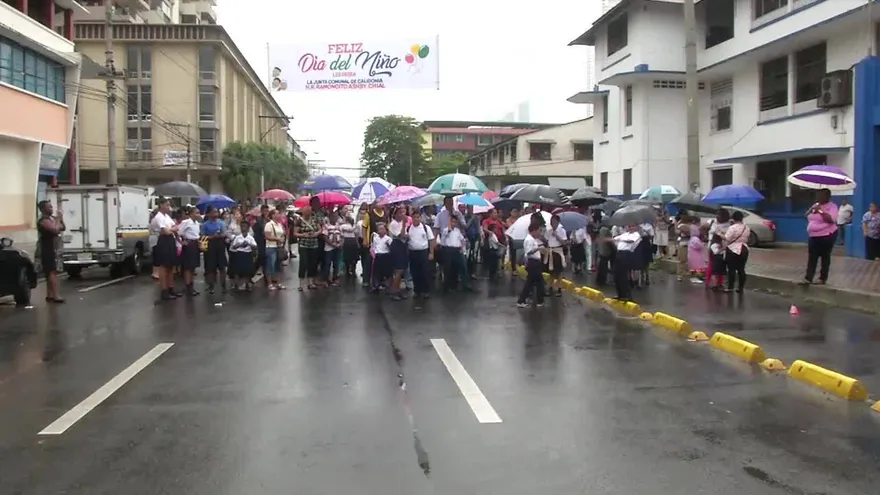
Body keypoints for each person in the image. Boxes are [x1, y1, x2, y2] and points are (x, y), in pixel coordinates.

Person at [800, 188, 839, 285]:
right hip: (814, 236)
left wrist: (820, 211)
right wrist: (811, 210)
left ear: (827, 196)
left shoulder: (832, 206)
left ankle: (822, 278)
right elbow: (806, 216)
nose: (818, 197)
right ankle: (808, 278)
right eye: (818, 195)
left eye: (821, 195)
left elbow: (831, 220)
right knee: (812, 257)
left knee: (825, 256)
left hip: (827, 235)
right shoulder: (816, 205)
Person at [150, 198, 180, 300]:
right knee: (163, 267)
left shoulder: (167, 217)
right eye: (167, 205)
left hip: (170, 240)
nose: (169, 208)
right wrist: (171, 229)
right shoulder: (158, 217)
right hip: (163, 241)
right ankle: (164, 291)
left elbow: (175, 227)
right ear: (161, 205)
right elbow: (165, 232)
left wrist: (170, 229)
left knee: (171, 266)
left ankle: (171, 288)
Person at [36, 200, 65, 303]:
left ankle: (50, 295)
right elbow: (55, 230)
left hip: (55, 248)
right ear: (43, 209)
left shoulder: (51, 219)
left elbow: (62, 227)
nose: (51, 209)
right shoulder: (43, 220)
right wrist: (58, 220)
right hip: (47, 248)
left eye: (52, 207)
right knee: (51, 271)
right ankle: (56, 295)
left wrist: (59, 220)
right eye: (49, 207)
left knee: (52, 272)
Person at [516, 221, 546, 308]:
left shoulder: (533, 239)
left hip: (535, 262)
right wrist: (538, 248)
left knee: (534, 282)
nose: (539, 233)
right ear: (533, 230)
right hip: (533, 262)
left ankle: (539, 300)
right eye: (538, 231)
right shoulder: (529, 239)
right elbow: (529, 252)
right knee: (533, 282)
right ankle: (522, 300)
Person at [201, 206, 228, 294]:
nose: (215, 214)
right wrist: (211, 237)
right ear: (208, 214)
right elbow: (202, 236)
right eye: (213, 212)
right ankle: (211, 285)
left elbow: (225, 234)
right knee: (210, 267)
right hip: (209, 246)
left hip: (220, 245)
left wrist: (220, 235)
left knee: (222, 266)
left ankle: (223, 285)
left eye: (216, 212)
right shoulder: (205, 224)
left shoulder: (221, 223)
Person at [361, 202, 387, 288]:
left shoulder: (385, 214)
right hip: (372, 242)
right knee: (368, 261)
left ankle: (379, 280)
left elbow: (388, 226)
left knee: (380, 262)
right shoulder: (369, 214)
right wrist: (365, 239)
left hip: (382, 242)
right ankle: (366, 280)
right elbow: (364, 227)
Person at [612, 224, 641, 302]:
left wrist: (621, 240)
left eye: (632, 226)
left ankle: (627, 295)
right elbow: (615, 239)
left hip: (626, 254)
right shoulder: (624, 234)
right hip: (619, 253)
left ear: (636, 227)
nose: (630, 228)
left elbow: (631, 241)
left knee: (624, 276)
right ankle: (620, 294)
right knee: (616, 274)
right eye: (629, 226)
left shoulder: (636, 235)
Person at [294, 205, 320, 291]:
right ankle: (301, 284)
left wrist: (317, 233)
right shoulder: (299, 220)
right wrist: (303, 235)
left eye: (309, 212)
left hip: (314, 244)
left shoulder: (314, 219)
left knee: (312, 263)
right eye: (306, 212)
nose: (308, 213)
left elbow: (320, 229)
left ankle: (310, 282)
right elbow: (295, 233)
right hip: (303, 244)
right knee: (303, 263)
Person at [725, 211, 751, 293]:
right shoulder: (747, 227)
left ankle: (730, 287)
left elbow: (727, 238)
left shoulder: (732, 228)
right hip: (744, 249)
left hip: (733, 249)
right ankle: (740, 288)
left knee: (731, 269)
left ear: (733, 218)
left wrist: (720, 234)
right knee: (741, 269)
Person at [440, 215, 468, 292]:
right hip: (448, 250)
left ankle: (459, 285)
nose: (454, 223)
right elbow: (448, 232)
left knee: (458, 267)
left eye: (455, 222)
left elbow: (462, 239)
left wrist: (462, 248)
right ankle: (447, 286)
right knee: (448, 269)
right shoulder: (445, 230)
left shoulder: (457, 230)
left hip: (457, 250)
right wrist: (449, 224)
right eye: (452, 221)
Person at [178, 206, 201, 296]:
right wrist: (182, 241)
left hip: (195, 244)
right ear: (191, 214)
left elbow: (196, 235)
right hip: (189, 244)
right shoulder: (186, 222)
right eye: (196, 213)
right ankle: (188, 287)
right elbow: (178, 232)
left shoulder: (197, 224)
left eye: (199, 213)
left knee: (193, 266)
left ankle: (191, 285)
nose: (198, 215)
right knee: (188, 267)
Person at [388, 207, 409, 300]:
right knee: (398, 270)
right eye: (400, 213)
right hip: (397, 246)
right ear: (395, 214)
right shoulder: (393, 224)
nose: (402, 214)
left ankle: (398, 289)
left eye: (403, 212)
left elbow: (406, 235)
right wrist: (404, 224)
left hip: (403, 246)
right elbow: (401, 235)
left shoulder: (401, 223)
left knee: (402, 270)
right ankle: (393, 291)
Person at [229, 221, 257, 291]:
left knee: (247, 270)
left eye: (245, 227)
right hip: (239, 254)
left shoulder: (250, 238)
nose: (243, 228)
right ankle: (236, 284)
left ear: (248, 228)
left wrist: (249, 244)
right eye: (242, 227)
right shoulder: (238, 237)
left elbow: (255, 246)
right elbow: (234, 246)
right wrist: (240, 245)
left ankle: (247, 284)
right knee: (237, 270)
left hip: (247, 254)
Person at [544, 215, 567, 297]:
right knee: (551, 272)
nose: (552, 223)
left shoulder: (562, 230)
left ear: (557, 222)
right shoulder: (549, 231)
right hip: (550, 251)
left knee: (558, 271)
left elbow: (564, 243)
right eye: (551, 221)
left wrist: (556, 236)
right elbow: (546, 240)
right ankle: (550, 287)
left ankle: (559, 288)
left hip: (557, 251)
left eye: (553, 221)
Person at [263, 209, 286, 290]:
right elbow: (267, 236)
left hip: (279, 247)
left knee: (278, 266)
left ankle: (278, 283)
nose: (279, 215)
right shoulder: (269, 225)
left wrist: (282, 238)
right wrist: (277, 239)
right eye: (277, 214)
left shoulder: (279, 224)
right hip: (271, 247)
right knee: (270, 265)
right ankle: (270, 283)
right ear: (272, 215)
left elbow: (283, 233)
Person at [322, 210, 343, 287]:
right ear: (329, 217)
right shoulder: (326, 226)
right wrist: (332, 244)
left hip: (338, 247)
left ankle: (335, 278)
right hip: (328, 248)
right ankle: (326, 279)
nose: (335, 218)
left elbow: (342, 236)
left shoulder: (339, 226)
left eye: (336, 217)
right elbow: (325, 237)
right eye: (333, 216)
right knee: (327, 263)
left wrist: (341, 243)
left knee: (336, 263)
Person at [371, 223, 393, 291]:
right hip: (378, 256)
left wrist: (388, 245)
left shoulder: (388, 239)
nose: (381, 230)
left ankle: (387, 285)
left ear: (385, 230)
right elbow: (374, 247)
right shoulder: (376, 238)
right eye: (379, 229)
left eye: (382, 229)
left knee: (387, 271)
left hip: (385, 256)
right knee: (377, 271)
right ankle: (376, 285)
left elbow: (391, 249)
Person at [595, 221, 614, 286]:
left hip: (601, 249)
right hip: (606, 250)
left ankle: (600, 279)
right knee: (604, 266)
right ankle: (603, 280)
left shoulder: (600, 229)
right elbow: (610, 241)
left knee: (601, 265)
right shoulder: (607, 230)